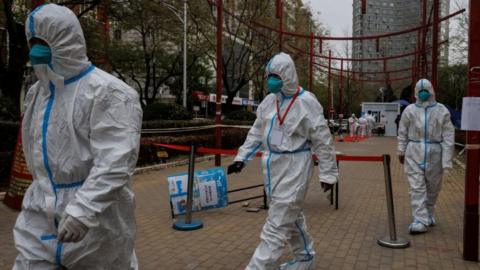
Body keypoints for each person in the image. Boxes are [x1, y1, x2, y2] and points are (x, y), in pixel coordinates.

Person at [13, 4, 142, 269]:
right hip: (40, 216)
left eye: (44, 41)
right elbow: (33, 150)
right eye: (33, 42)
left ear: (65, 39)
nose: (36, 49)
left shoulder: (109, 92)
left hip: (97, 223)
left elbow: (116, 161)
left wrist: (84, 210)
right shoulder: (37, 93)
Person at [228, 52, 338, 270]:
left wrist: (328, 173)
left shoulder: (307, 102)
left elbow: (322, 140)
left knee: (277, 223)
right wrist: (242, 157)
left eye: (276, 75)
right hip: (271, 165)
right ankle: (305, 258)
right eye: (269, 75)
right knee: (290, 214)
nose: (271, 80)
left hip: (296, 166)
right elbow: (257, 132)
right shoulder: (269, 102)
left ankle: (258, 267)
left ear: (287, 75)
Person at [397, 78, 454, 234]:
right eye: (420, 90)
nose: (423, 93)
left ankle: (428, 212)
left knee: (433, 187)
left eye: (426, 90)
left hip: (435, 151)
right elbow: (402, 131)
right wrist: (401, 150)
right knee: (416, 187)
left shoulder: (442, 110)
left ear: (431, 91)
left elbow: (449, 136)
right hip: (413, 151)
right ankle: (420, 219)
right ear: (416, 92)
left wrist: (447, 160)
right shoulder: (409, 110)